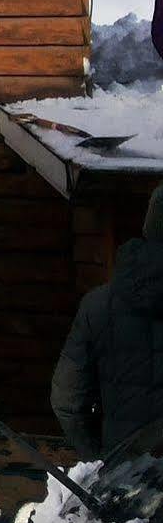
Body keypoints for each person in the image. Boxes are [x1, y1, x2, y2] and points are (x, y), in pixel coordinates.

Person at [51, 183, 163, 460]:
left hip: (124, 482)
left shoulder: (98, 305)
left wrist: (97, 457)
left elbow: (66, 400)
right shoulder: (99, 305)